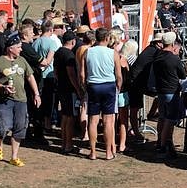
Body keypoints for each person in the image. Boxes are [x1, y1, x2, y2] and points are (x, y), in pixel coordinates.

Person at [0, 32, 42, 167]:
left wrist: (36, 94)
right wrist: (2, 86)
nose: (21, 49)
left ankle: (14, 156)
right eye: (18, 47)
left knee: (19, 128)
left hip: (21, 100)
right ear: (10, 48)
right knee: (3, 127)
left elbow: (30, 77)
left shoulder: (22, 61)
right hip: (4, 101)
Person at [80, 27, 122, 160]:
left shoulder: (87, 52)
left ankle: (92, 152)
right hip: (109, 85)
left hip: (93, 85)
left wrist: (84, 86)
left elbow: (82, 74)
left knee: (93, 120)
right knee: (108, 121)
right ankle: (108, 152)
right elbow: (119, 75)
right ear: (107, 38)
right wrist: (118, 87)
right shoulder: (113, 53)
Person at [153, 31, 186, 157]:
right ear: (172, 43)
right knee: (170, 120)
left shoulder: (158, 56)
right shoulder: (174, 58)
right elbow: (182, 74)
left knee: (162, 117)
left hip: (161, 90)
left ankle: (160, 142)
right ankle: (163, 145)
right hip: (171, 91)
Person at [126, 33, 163, 143]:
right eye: (162, 42)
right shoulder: (155, 51)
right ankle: (136, 132)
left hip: (139, 81)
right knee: (134, 108)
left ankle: (150, 115)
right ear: (158, 43)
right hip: (135, 82)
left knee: (157, 96)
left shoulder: (151, 49)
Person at [55, 30, 83, 155]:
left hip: (61, 87)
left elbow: (55, 71)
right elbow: (72, 75)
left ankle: (64, 143)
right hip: (69, 90)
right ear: (73, 41)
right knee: (70, 117)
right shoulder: (69, 56)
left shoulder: (58, 52)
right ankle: (68, 145)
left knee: (65, 116)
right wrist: (78, 89)